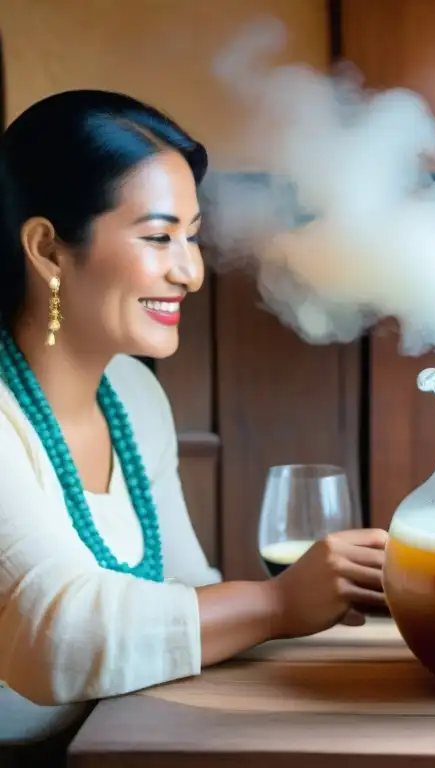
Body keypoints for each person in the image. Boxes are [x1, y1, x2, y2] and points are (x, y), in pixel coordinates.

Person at [0, 89, 390, 723]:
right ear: (47, 249)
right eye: (159, 237)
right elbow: (56, 636)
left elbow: (184, 591)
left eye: (193, 238)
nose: (191, 272)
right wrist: (276, 606)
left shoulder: (132, 394)